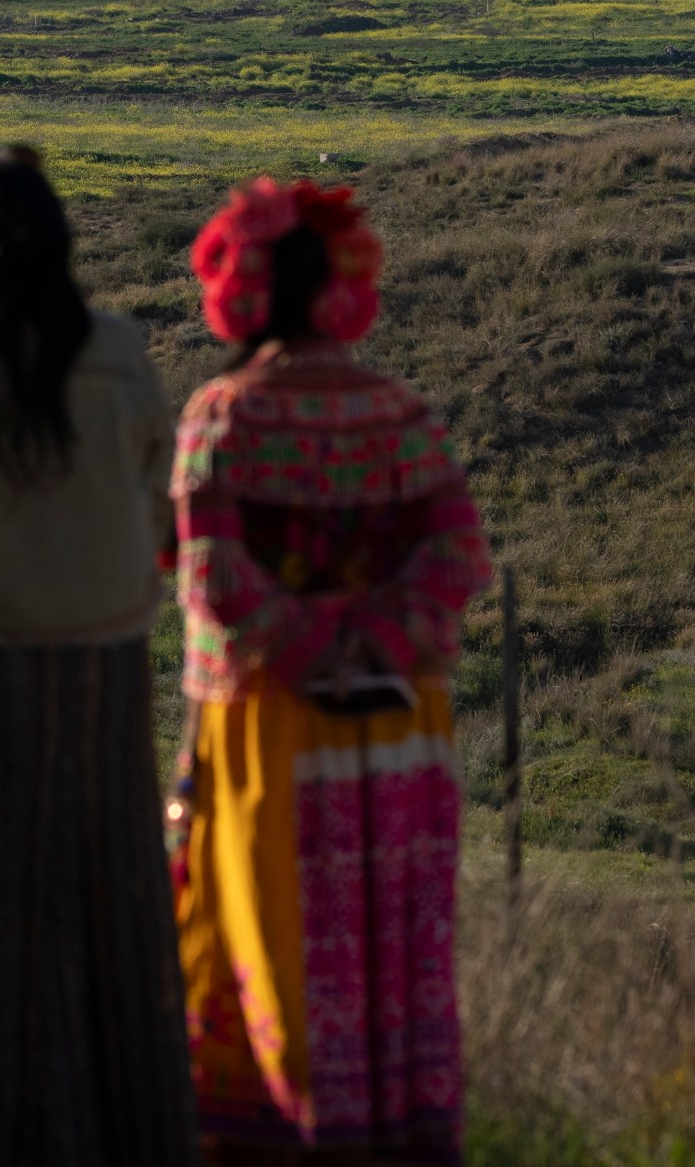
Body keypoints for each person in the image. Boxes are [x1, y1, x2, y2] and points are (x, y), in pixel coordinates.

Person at [167, 178, 493, 1166]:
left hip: (272, 732)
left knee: (273, 951)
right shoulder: (400, 414)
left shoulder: (221, 415)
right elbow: (455, 559)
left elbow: (214, 576)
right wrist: (375, 647)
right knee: (396, 961)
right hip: (399, 732)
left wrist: (308, 654)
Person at [0, 147, 197, 1167]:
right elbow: (160, 501)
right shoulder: (113, 350)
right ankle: (132, 1133)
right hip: (102, 664)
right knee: (116, 912)